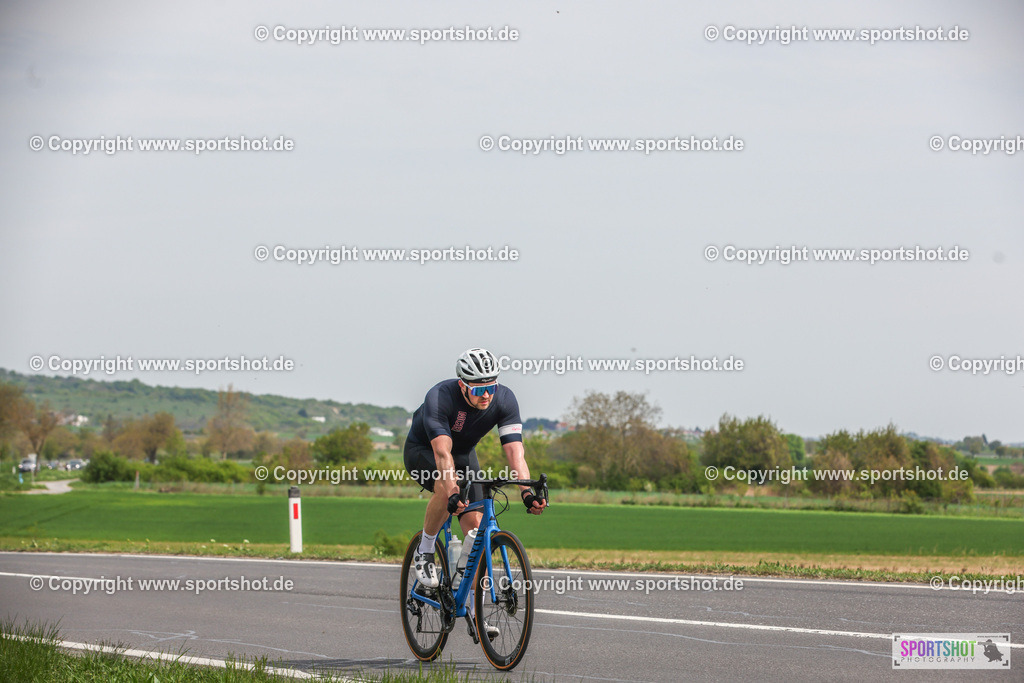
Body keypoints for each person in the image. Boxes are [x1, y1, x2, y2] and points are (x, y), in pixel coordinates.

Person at [404, 348, 547, 639]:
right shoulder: (440, 397)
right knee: (446, 492)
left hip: (464, 455)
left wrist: (526, 492)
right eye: (479, 389)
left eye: (491, 387)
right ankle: (426, 549)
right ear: (462, 385)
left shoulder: (504, 399)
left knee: (476, 531)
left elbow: (514, 452)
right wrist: (453, 491)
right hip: (425, 452)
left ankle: (471, 607)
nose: (487, 395)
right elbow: (443, 455)